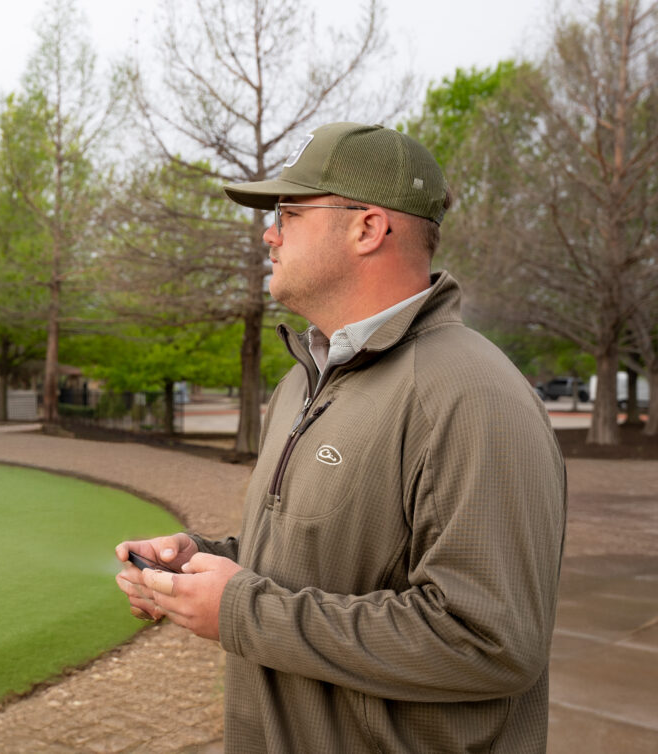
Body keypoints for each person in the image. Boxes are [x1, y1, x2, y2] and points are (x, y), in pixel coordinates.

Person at [115, 122, 567, 753]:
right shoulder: (302, 383)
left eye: (288, 213)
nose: (269, 234)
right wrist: (199, 561)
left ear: (368, 228)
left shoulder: (473, 398)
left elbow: (490, 642)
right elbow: (330, 554)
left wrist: (241, 611)